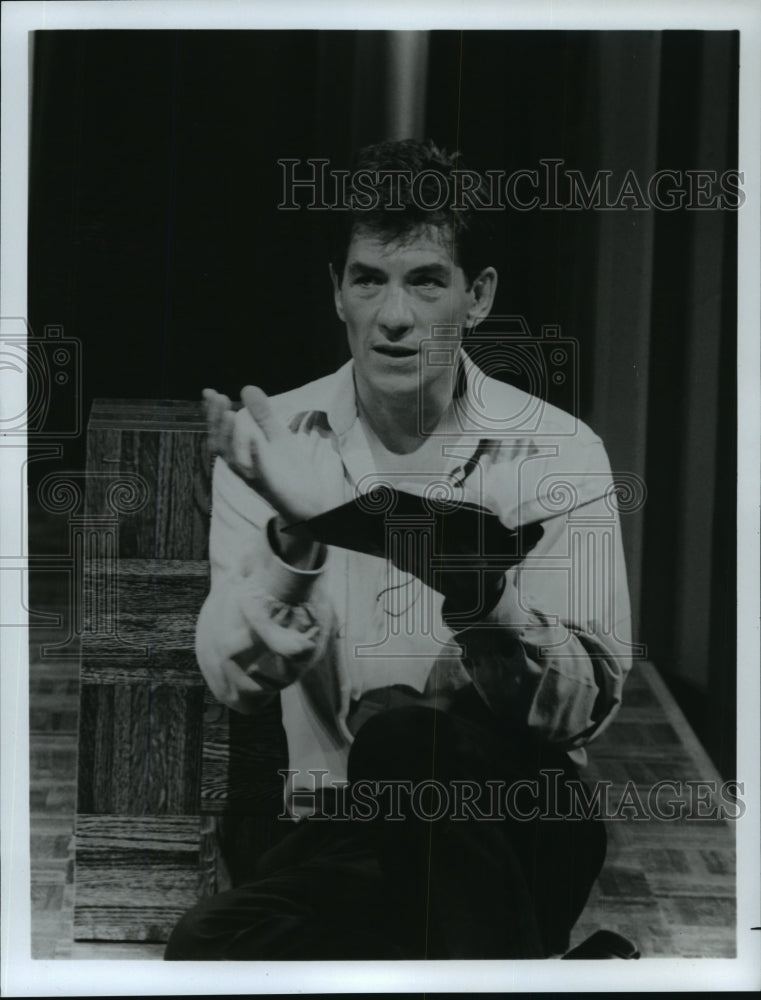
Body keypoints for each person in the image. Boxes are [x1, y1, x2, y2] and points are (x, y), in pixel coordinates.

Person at [164, 139, 633, 960]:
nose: (392, 316)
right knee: (210, 944)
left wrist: (484, 600)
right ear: (336, 294)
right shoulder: (275, 449)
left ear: (477, 297)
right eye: (367, 279)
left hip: (518, 825)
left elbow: (583, 707)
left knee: (403, 737)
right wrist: (296, 535)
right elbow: (233, 682)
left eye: (424, 279)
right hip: (349, 833)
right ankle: (541, 972)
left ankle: (457, 568)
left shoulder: (559, 452)